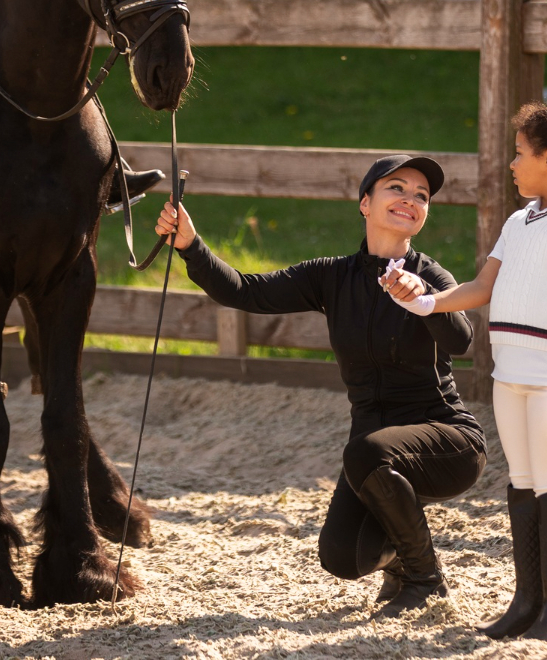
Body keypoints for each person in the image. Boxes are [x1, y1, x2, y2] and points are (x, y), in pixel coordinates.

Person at [155, 155, 486, 615]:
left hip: (448, 443)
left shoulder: (430, 276)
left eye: (422, 196)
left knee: (365, 451)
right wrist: (190, 245)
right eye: (397, 188)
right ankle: (400, 559)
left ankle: (425, 579)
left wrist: (426, 301)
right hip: (373, 455)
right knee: (342, 557)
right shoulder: (331, 275)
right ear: (365, 203)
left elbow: (462, 340)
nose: (410, 199)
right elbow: (245, 291)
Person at [382, 94, 547, 641]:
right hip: (510, 375)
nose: (512, 163)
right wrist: (423, 301)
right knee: (522, 486)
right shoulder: (520, 221)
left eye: (520, 153)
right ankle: (527, 602)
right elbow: (480, 287)